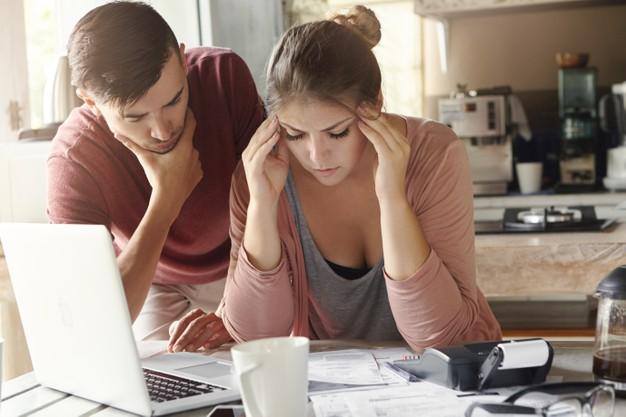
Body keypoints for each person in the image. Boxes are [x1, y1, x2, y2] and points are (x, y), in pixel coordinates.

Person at [174, 5, 502, 353]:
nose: (317, 156)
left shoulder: (434, 153)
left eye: (338, 132)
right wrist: (261, 206)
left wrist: (393, 198)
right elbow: (256, 338)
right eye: (295, 134)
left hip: (453, 384)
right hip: (332, 391)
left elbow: (441, 339)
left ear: (375, 104)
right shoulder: (261, 170)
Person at [47, 1, 264, 351]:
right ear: (89, 100)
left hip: (244, 262)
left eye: (174, 100)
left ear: (182, 58)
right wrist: (166, 199)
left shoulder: (224, 77)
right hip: (152, 282)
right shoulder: (75, 157)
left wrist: (231, 311)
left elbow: (269, 211)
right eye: (135, 117)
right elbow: (95, 316)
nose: (163, 131)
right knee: (163, 384)